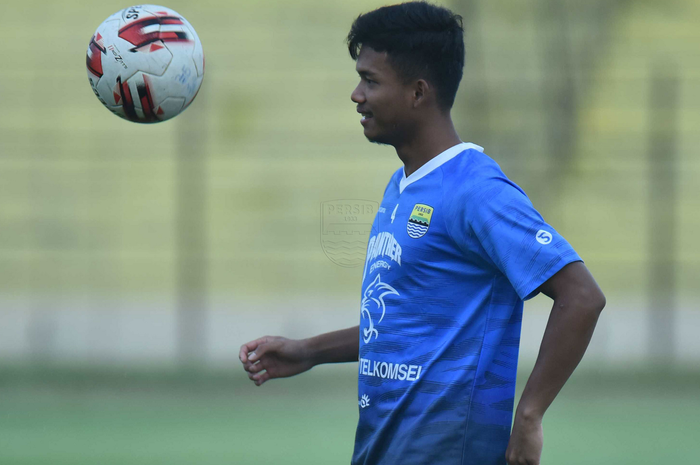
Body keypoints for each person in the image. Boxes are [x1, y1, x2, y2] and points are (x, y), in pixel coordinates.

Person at [239, 2, 606, 464]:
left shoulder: (476, 191)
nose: (356, 94)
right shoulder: (403, 185)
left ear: (417, 92)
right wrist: (308, 351)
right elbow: (404, 324)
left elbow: (582, 296)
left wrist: (529, 415)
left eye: (370, 80)